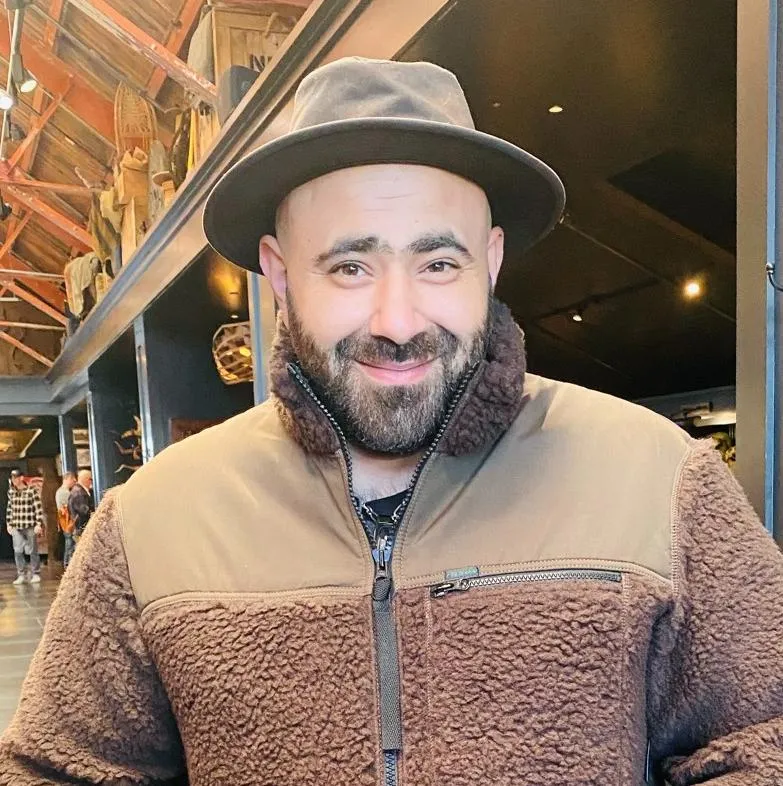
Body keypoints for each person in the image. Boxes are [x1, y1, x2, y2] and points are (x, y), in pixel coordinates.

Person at [1, 57, 782, 785]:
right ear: (279, 273)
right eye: (350, 266)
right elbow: (53, 769)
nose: (399, 320)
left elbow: (764, 738)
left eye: (438, 263)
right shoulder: (151, 520)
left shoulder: (658, 478)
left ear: (490, 262)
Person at [5, 469, 44, 586]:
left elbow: (38, 508)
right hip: (17, 525)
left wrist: (38, 523)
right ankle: (21, 574)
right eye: (12, 478)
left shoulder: (31, 491)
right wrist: (9, 523)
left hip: (29, 524)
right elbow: (10, 508)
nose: (13, 480)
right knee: (17, 551)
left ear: (21, 478)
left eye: (15, 478)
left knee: (32, 550)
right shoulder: (11, 492)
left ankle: (35, 573)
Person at [55, 472, 77, 568]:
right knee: (70, 544)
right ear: (67, 479)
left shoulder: (60, 491)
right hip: (68, 522)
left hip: (65, 523)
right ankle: (68, 564)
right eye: (72, 479)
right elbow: (67, 509)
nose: (74, 481)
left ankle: (67, 564)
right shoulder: (65, 492)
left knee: (69, 543)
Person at [67, 469, 93, 542]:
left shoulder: (76, 491)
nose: (91, 482)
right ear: (86, 479)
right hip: (82, 530)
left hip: (79, 529)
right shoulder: (79, 493)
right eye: (91, 479)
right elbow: (84, 512)